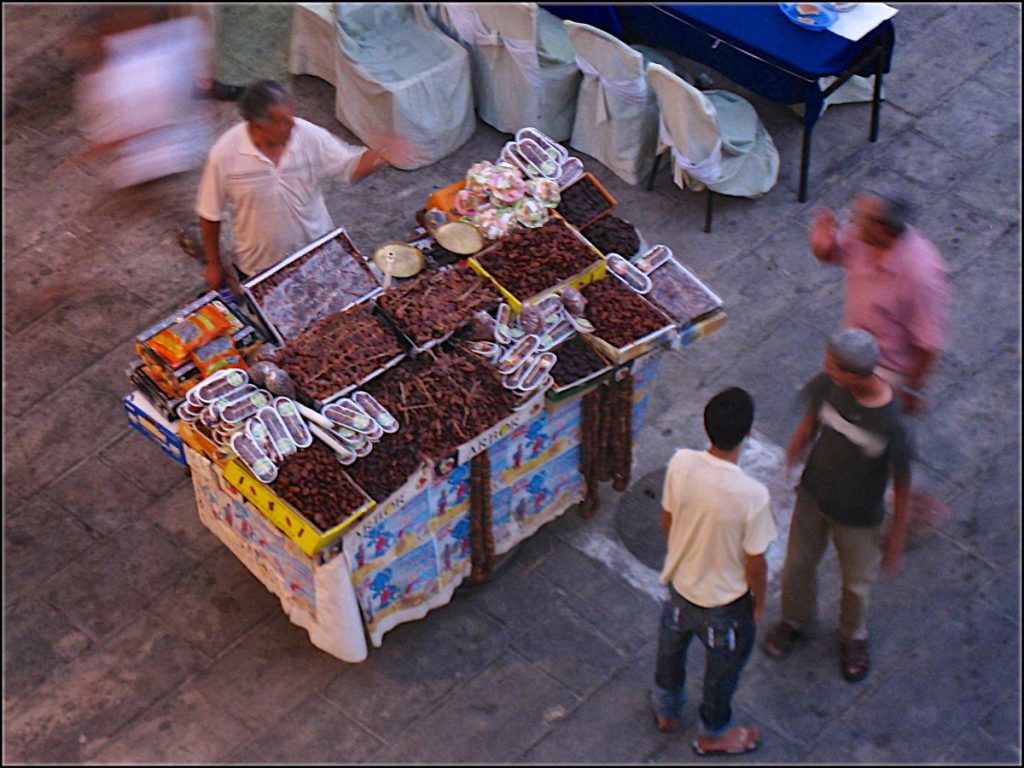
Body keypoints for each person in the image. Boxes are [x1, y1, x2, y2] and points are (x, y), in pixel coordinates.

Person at [761, 329, 913, 684]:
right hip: (813, 495)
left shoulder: (890, 423)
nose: (825, 368)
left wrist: (895, 538)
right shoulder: (828, 385)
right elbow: (812, 419)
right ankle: (795, 620)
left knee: (856, 583)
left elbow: (903, 484)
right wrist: (794, 451)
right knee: (797, 565)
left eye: (833, 365)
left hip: (859, 518)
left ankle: (853, 636)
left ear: (855, 374)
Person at [192, 78, 420, 297]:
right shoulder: (225, 154)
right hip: (259, 266)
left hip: (316, 253)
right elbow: (209, 213)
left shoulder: (309, 136)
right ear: (258, 126)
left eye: (291, 115)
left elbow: (348, 167)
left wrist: (380, 155)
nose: (293, 124)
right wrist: (214, 264)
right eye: (282, 120)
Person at [809, 189, 951, 532]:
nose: (851, 223)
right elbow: (837, 253)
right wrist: (823, 246)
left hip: (888, 372)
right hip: (853, 353)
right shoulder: (862, 236)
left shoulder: (921, 274)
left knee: (882, 440)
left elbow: (928, 344)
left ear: (885, 231)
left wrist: (914, 390)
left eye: (860, 218)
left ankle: (911, 508)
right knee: (845, 421)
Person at [650, 387, 776, 757]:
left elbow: (668, 520)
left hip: (680, 589)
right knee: (722, 674)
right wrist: (758, 604)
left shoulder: (681, 463)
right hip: (725, 607)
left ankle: (666, 711)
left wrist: (685, 560)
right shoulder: (752, 496)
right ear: (748, 433)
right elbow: (757, 563)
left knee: (669, 652)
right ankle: (713, 732)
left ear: (706, 428)